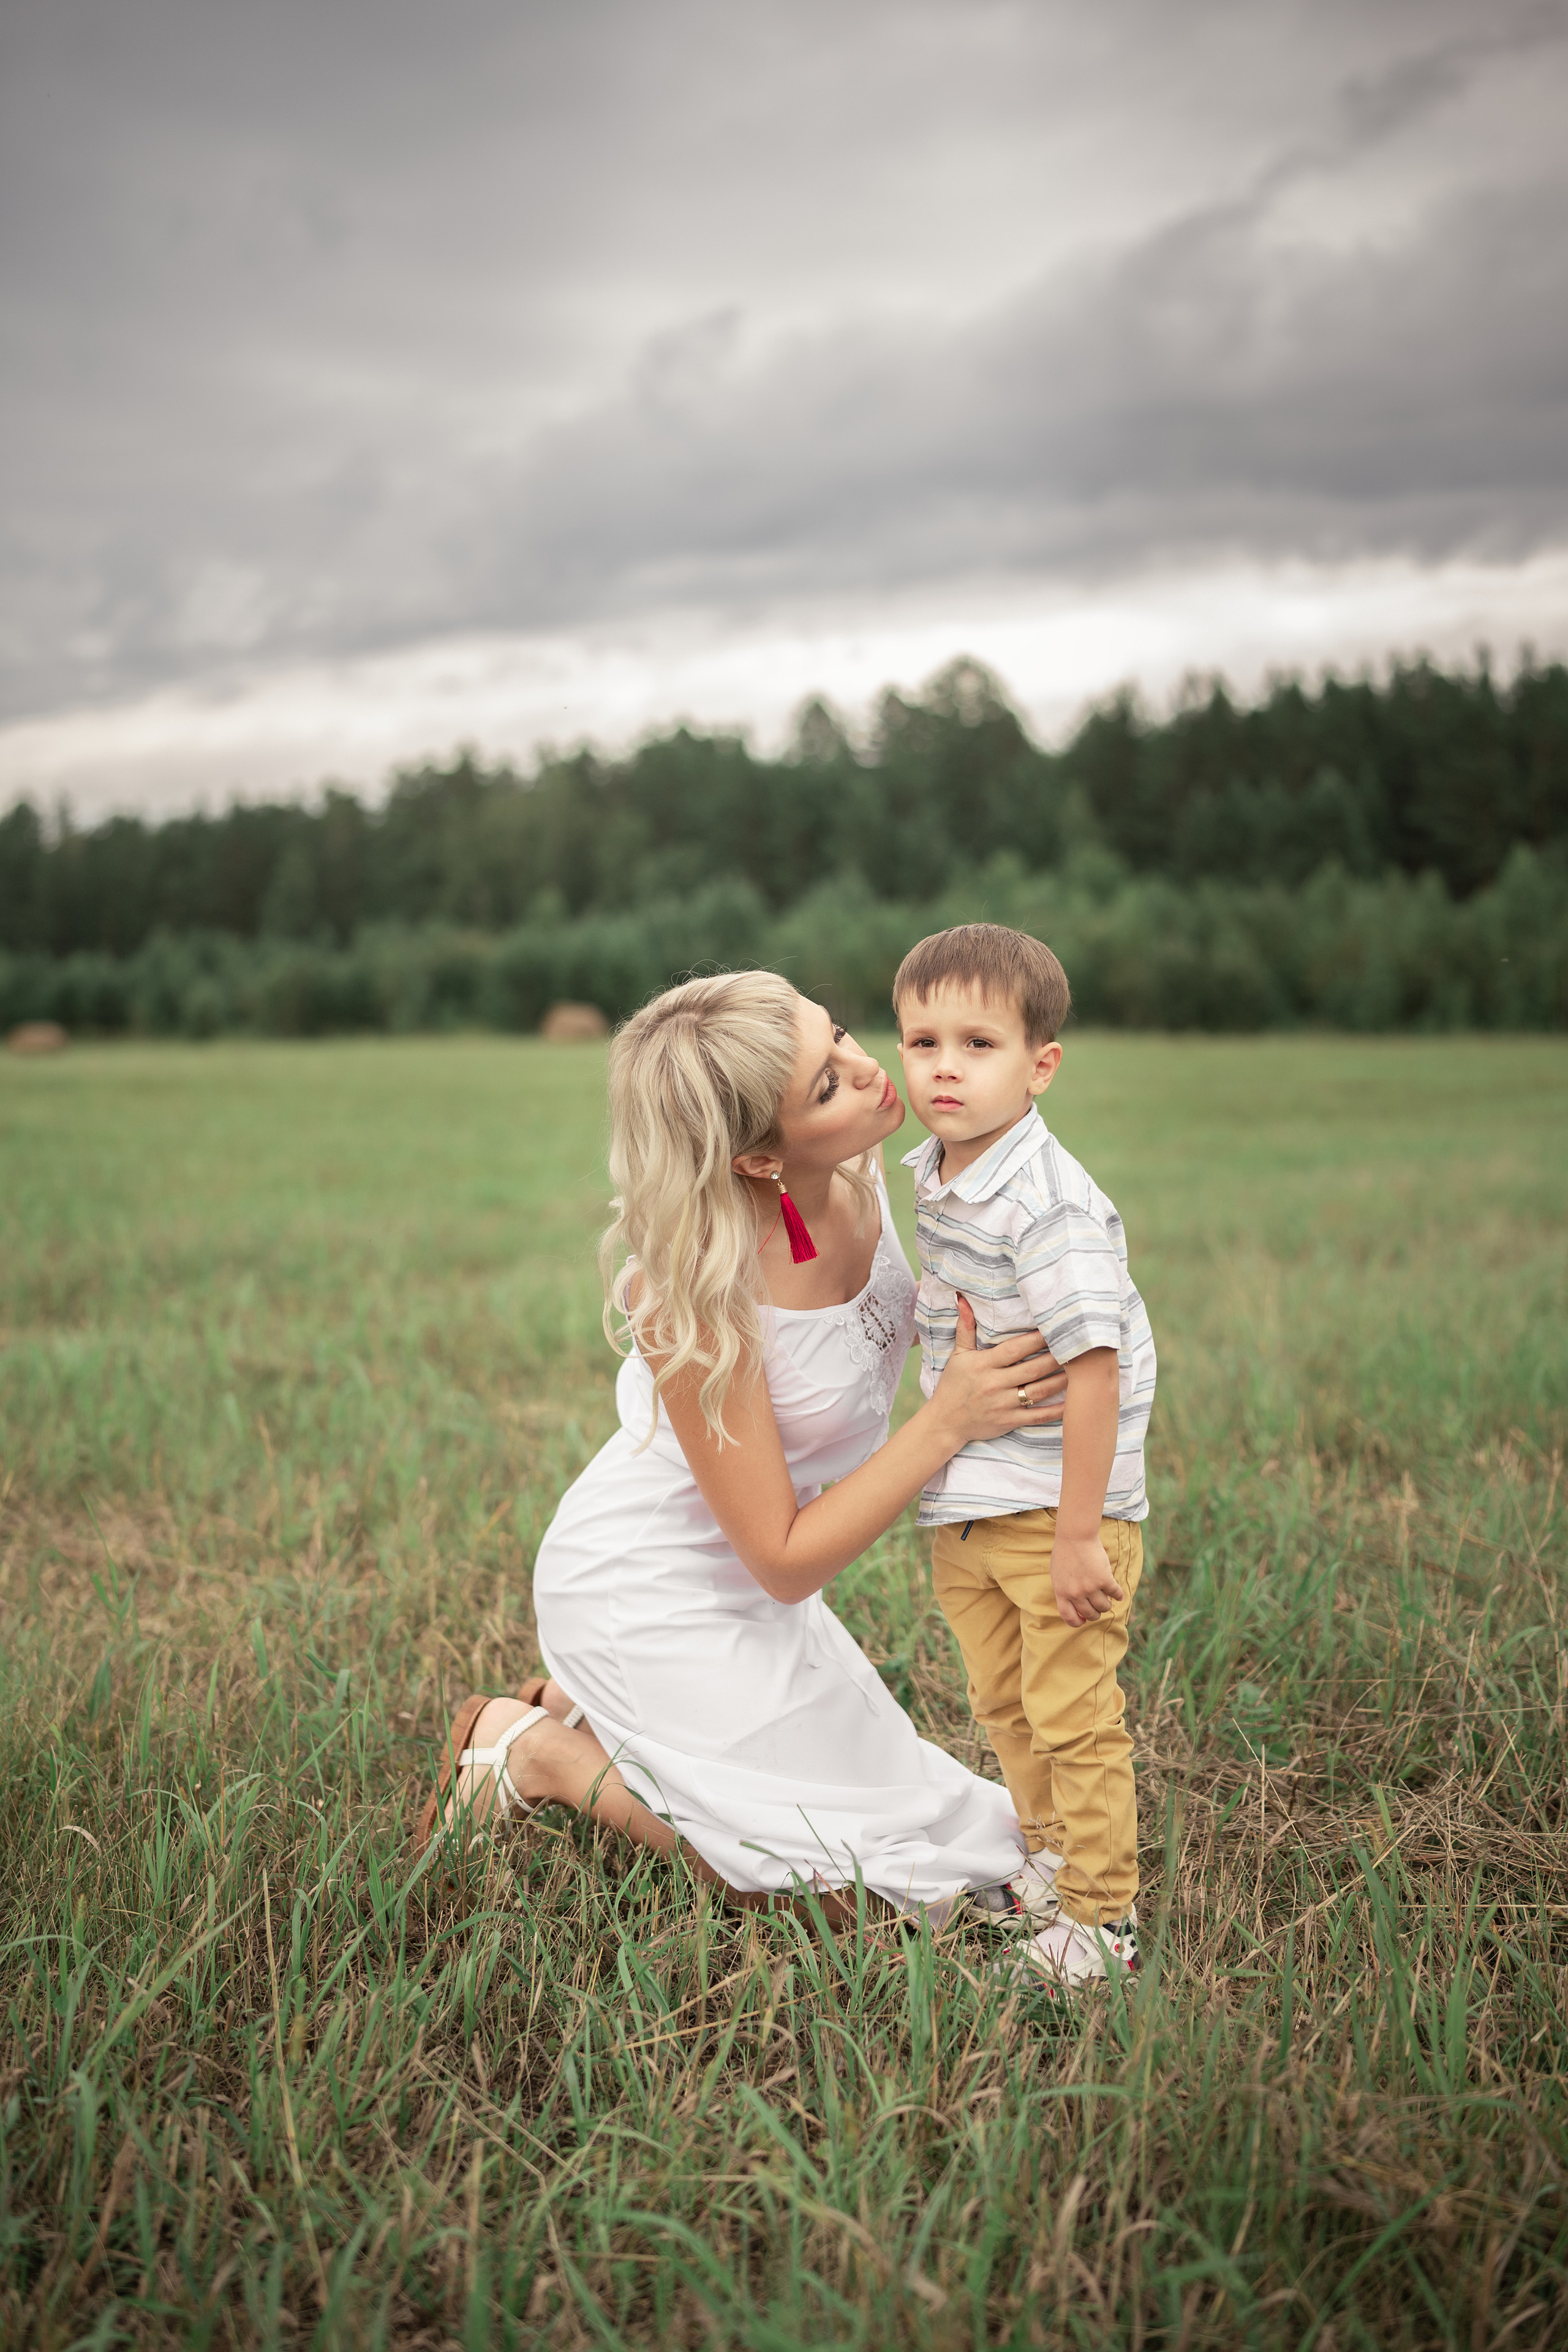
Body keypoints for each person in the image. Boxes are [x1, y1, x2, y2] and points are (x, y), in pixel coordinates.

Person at [417, 968, 1071, 1923]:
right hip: (650, 1587)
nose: (867, 1069)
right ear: (762, 1158)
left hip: (749, 1586)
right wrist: (947, 1423)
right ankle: (539, 1750)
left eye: (838, 1033)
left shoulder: (882, 1170)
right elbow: (782, 1559)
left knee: (973, 1842)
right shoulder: (695, 1298)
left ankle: (583, 1714)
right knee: (855, 1899)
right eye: (826, 1087)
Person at [892, 925, 1157, 1989]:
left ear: (1040, 1065)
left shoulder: (1044, 1202)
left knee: (1073, 1715)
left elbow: (1096, 1367)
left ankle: (1105, 1920)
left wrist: (1084, 1531)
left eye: (978, 1042)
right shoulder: (942, 1169)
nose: (944, 1066)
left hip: (1055, 1509)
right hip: (972, 1501)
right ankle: (1051, 1860)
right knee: (1003, 1705)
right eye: (921, 1040)